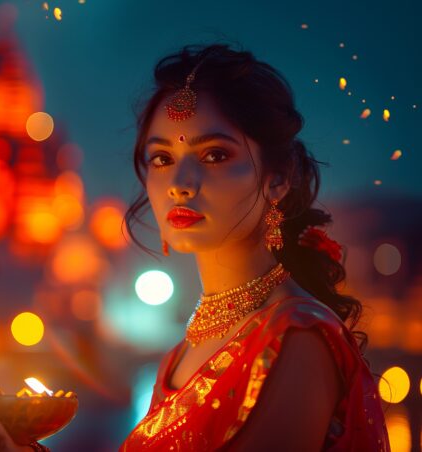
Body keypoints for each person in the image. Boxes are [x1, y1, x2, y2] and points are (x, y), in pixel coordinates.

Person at [119, 43, 390, 451]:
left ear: (278, 178)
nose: (180, 182)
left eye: (213, 154)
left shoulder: (297, 337)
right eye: (162, 158)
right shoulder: (179, 357)